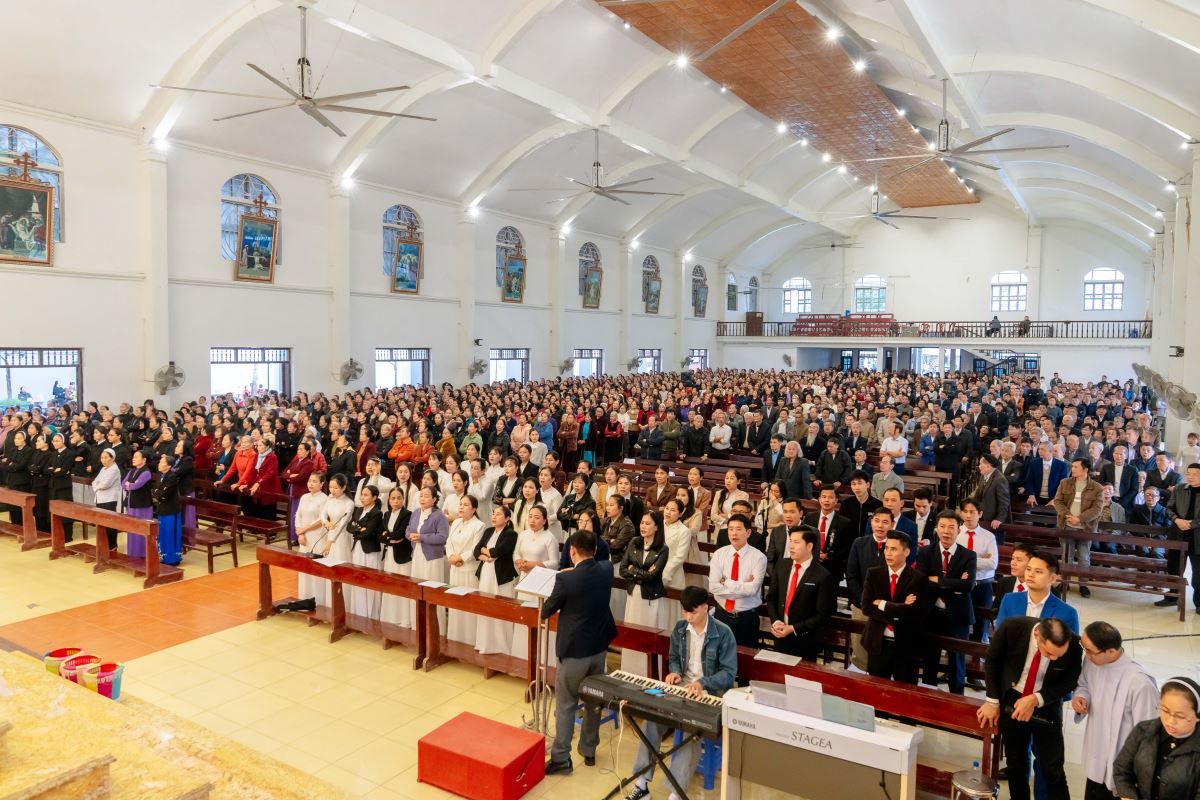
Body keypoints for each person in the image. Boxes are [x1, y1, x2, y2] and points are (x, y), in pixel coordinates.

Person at [622, 586, 737, 800]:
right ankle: (642, 783)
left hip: (708, 694)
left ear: (705, 607)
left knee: (689, 730)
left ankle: (676, 793)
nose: (688, 617)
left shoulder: (723, 633)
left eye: (692, 612)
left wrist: (703, 682)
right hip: (681, 689)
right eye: (685, 612)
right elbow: (674, 658)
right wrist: (674, 672)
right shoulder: (680, 627)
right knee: (651, 718)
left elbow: (729, 674)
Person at [978, 617, 1083, 800]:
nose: (1054, 658)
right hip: (1012, 699)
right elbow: (992, 661)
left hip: (1046, 702)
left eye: (1059, 655)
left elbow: (1070, 680)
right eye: (1049, 653)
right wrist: (992, 701)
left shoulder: (1074, 644)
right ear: (1037, 635)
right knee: (1016, 764)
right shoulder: (1012, 627)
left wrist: (1037, 699)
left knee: (1053, 768)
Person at [543, 530, 618, 775]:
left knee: (566, 704)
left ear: (572, 550)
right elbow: (597, 568)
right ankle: (589, 749)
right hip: (599, 647)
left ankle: (561, 758)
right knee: (593, 701)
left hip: (575, 649)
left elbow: (547, 610)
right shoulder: (607, 570)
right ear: (594, 550)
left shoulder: (566, 580)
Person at [1071, 621, 1159, 800]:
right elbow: (1083, 684)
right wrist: (1081, 697)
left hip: (1122, 761)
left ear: (1111, 651)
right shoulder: (1092, 660)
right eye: (1084, 648)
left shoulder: (1140, 683)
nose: (1086, 655)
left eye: (1090, 650)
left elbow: (1148, 735)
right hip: (1097, 750)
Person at [916, 510, 976, 693]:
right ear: (936, 528)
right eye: (942, 526)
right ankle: (928, 696)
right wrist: (954, 584)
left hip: (958, 615)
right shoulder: (925, 552)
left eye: (951, 527)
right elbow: (921, 582)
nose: (946, 531)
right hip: (931, 613)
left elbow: (968, 585)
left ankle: (957, 699)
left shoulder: (969, 555)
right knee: (929, 659)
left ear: (959, 529)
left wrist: (938, 581)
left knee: (957, 662)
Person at [1112, 676, 1200, 800]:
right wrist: (1128, 795)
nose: (1170, 721)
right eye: (1165, 711)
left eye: (1180, 716)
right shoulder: (1143, 730)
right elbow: (1121, 769)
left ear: (1197, 716)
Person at [862, 531, 931, 684]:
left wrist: (883, 604)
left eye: (893, 549)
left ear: (906, 552)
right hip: (878, 641)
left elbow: (915, 612)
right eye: (886, 548)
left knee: (905, 690)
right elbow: (866, 607)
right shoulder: (873, 574)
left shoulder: (918, 579)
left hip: (906, 643)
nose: (888, 553)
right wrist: (900, 608)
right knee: (876, 688)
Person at [766, 527, 834, 660]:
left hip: (805, 640)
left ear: (809, 546)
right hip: (780, 635)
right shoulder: (782, 565)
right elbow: (771, 598)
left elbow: (823, 615)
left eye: (796, 542)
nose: (791, 546)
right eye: (790, 541)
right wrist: (776, 620)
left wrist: (793, 628)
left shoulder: (822, 575)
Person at [620, 511, 669, 674]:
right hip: (633, 595)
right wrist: (643, 572)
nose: (643, 526)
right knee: (632, 633)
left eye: (648, 524)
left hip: (650, 598)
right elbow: (622, 569)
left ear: (657, 527)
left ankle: (650, 672)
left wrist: (633, 570)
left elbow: (653, 576)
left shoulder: (663, 549)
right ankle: (630, 670)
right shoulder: (634, 542)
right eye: (642, 523)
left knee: (648, 635)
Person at [709, 513, 766, 648]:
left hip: (747, 618)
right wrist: (744, 586)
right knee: (720, 654)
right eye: (731, 529)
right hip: (721, 615)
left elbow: (752, 590)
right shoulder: (719, 554)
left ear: (748, 532)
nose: (734, 533)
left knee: (746, 657)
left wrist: (726, 581)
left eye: (739, 529)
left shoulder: (758, 557)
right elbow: (713, 587)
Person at [1052, 457, 1103, 598]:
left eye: (1076, 467)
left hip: (1085, 529)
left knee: (1084, 557)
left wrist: (1079, 519)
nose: (1072, 469)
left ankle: (1083, 584)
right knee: (1066, 557)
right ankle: (1065, 582)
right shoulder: (1065, 483)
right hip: (1066, 526)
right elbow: (1058, 501)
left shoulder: (1097, 488)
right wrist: (1068, 515)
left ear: (1085, 469)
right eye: (1072, 466)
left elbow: (1097, 509)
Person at [996, 550, 1080, 634]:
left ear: (1052, 578)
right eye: (1028, 569)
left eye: (1038, 571)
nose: (1030, 574)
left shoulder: (1068, 613)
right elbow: (999, 636)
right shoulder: (1009, 600)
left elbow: (1071, 642)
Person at [474, 506, 519, 656]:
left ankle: (502, 645)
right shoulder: (488, 531)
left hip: (501, 576)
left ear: (507, 518)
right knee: (485, 605)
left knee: (500, 607)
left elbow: (497, 551)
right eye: (493, 514)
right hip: (486, 572)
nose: (494, 516)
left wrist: (486, 551)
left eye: (498, 514)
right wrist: (485, 555)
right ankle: (484, 643)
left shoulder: (511, 534)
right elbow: (476, 550)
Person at [445, 494, 485, 644]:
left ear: (474, 509)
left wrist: (460, 558)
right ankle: (456, 638)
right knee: (455, 603)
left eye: (466, 505)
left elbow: (475, 549)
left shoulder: (479, 525)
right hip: (454, 568)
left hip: (469, 569)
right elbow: (448, 542)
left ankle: (470, 640)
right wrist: (451, 556)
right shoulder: (455, 522)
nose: (461, 507)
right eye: (460, 504)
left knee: (468, 604)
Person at [1163, 463, 1200, 612]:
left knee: (1198, 574)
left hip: (1197, 538)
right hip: (1178, 535)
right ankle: (1172, 597)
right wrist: (1177, 520)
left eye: (1195, 474)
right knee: (1174, 568)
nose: (1190, 477)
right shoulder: (1179, 489)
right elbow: (1168, 509)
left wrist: (1191, 524)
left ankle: (1199, 603)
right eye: (1188, 473)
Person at [379, 485, 416, 629]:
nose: (396, 501)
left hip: (402, 555)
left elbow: (400, 534)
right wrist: (389, 539)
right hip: (389, 554)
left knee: (403, 586)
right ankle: (390, 618)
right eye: (393, 498)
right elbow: (380, 535)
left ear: (403, 499)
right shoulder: (386, 514)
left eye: (399, 498)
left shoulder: (408, 514)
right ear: (388, 500)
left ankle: (404, 620)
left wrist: (387, 536)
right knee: (390, 585)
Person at [347, 484, 384, 619]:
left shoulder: (377, 513)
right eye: (362, 494)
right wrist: (359, 529)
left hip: (370, 551)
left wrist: (358, 528)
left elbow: (368, 533)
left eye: (366, 495)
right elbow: (349, 527)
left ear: (374, 497)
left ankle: (371, 615)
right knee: (357, 578)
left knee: (369, 580)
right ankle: (358, 613)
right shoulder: (358, 510)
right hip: (357, 548)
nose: (362, 497)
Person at [294, 471, 329, 606]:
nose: (311, 484)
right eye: (310, 481)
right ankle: (304, 598)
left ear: (322, 484)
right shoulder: (304, 497)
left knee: (316, 567)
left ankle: (318, 601)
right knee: (304, 567)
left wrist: (304, 529)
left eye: (315, 481)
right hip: (304, 537)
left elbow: (321, 520)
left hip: (317, 536)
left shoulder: (324, 499)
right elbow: (298, 515)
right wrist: (300, 534)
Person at [121, 450, 154, 559]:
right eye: (133, 457)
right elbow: (123, 484)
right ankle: (132, 553)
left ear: (144, 460)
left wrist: (129, 485)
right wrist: (130, 484)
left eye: (136, 457)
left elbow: (136, 486)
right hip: (131, 504)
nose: (133, 459)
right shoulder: (132, 471)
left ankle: (142, 554)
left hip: (142, 505)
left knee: (141, 529)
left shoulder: (146, 472)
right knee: (132, 528)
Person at [152, 454, 183, 566]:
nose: (159, 464)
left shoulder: (172, 477)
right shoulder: (160, 475)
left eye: (162, 462)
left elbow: (164, 493)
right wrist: (158, 493)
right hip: (162, 509)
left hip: (170, 510)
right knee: (162, 533)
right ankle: (163, 556)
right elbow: (155, 491)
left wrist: (158, 493)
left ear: (169, 466)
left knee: (170, 534)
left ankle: (172, 558)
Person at [91, 448, 123, 550]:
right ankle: (104, 545)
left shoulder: (114, 469)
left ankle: (112, 546)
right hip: (100, 498)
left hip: (109, 499)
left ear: (112, 458)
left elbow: (105, 485)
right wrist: (97, 486)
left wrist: (97, 486)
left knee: (110, 523)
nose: (103, 460)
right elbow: (94, 481)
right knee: (101, 523)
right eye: (102, 458)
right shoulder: (103, 469)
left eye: (105, 457)